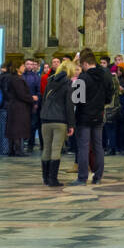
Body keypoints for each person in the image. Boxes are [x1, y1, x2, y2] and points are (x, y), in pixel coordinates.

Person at [72, 51, 111, 185]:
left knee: (83, 147)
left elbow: (76, 99)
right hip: (98, 116)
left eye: (82, 65)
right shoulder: (105, 76)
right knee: (98, 147)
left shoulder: (83, 78)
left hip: (84, 117)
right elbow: (109, 97)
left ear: (85, 63)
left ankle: (82, 178)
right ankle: (98, 177)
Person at [39, 60, 76, 188]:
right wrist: (71, 124)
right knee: (56, 149)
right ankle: (53, 179)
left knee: (46, 148)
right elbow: (69, 105)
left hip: (45, 119)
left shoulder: (50, 80)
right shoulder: (68, 83)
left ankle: (45, 178)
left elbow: (44, 100)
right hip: (59, 120)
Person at [3, 60, 33, 157]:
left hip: (16, 106)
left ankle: (13, 149)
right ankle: (17, 150)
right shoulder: (17, 79)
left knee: (14, 128)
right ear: (17, 68)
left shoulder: (15, 79)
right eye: (22, 66)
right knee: (18, 129)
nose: (24, 67)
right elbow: (21, 94)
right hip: (18, 107)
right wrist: (31, 98)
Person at [22, 59, 42, 153]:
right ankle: (23, 142)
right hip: (22, 103)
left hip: (32, 104)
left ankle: (31, 143)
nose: (29, 66)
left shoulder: (36, 77)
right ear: (24, 65)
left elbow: (38, 91)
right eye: (27, 64)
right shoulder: (21, 76)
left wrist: (37, 103)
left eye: (31, 64)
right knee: (23, 124)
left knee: (32, 125)